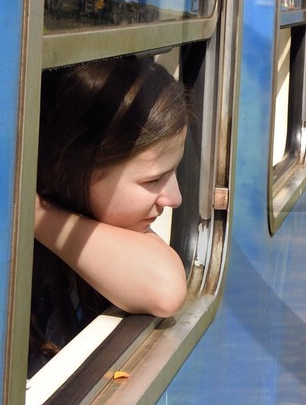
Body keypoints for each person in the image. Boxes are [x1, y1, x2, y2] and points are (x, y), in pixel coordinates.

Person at [29, 56, 195, 374]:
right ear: (76, 169)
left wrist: (33, 210)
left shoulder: (91, 226)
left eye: (174, 173)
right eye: (152, 180)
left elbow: (164, 285)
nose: (175, 199)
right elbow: (165, 288)